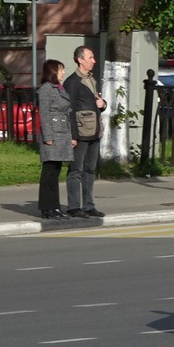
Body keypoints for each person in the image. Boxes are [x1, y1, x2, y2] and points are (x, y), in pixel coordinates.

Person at [63, 46, 106, 218]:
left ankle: (89, 205)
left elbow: (96, 103)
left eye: (93, 57)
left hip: (94, 132)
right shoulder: (72, 82)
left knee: (90, 170)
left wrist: (104, 104)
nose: (93, 61)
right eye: (90, 57)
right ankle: (74, 207)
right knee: (75, 170)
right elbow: (69, 110)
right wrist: (72, 135)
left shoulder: (91, 79)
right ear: (80, 60)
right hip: (80, 133)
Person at [36, 59, 74, 219]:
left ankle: (55, 207)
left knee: (55, 172)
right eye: (61, 69)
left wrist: (71, 137)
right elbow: (44, 114)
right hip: (53, 135)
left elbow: (66, 111)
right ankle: (47, 207)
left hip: (62, 133)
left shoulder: (59, 88)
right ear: (52, 71)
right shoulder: (46, 89)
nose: (63, 73)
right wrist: (48, 137)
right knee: (49, 172)